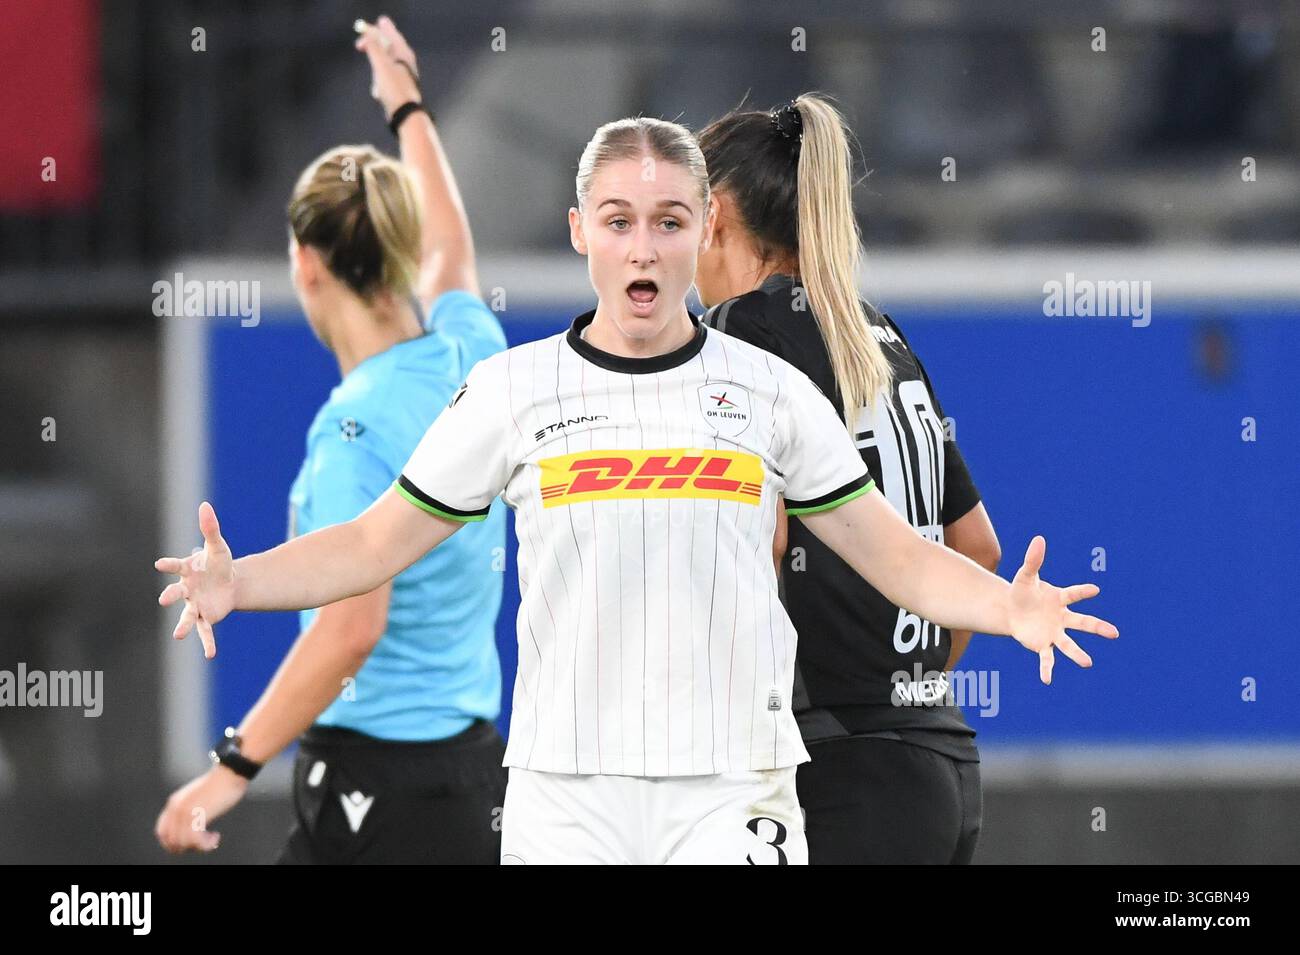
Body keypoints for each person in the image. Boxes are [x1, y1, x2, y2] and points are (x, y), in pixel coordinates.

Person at [155, 112, 1117, 866]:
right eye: (619, 222)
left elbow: (899, 554)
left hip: (733, 795)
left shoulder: (770, 391)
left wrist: (1008, 607)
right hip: (563, 801)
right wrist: (242, 583)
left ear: (705, 227)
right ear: (582, 232)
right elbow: (371, 545)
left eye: (668, 222)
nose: (644, 247)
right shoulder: (512, 391)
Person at [154, 16, 508, 864]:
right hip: (471, 778)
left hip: (374, 793)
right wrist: (408, 105)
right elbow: (452, 246)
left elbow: (352, 626)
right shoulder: (469, 348)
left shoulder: (355, 429)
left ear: (307, 263)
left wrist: (230, 768)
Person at [695, 93, 1004, 863]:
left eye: (676, 219)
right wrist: (898, 692)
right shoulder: (877, 330)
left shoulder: (740, 333)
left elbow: (756, 546)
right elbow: (977, 547)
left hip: (839, 769)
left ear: (718, 213)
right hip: (938, 757)